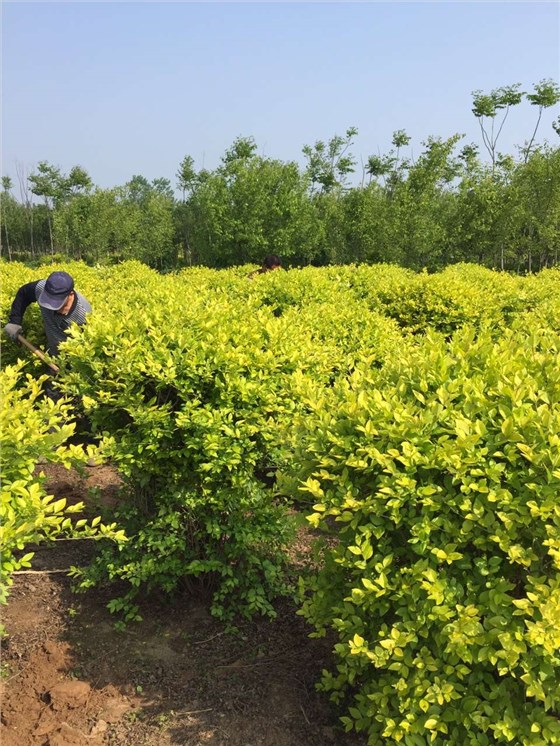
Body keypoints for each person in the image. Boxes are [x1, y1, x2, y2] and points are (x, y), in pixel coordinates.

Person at [4, 271, 91, 356]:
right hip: (51, 353)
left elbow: (86, 346)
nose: (51, 307)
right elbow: (23, 293)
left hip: (70, 357)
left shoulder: (84, 313)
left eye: (57, 304)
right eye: (48, 300)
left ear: (70, 295)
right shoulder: (41, 288)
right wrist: (15, 321)